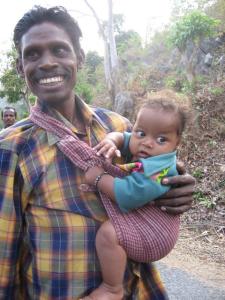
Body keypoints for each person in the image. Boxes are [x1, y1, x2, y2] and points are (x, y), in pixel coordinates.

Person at [0, 6, 195, 300]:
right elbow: (4, 250)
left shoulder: (117, 125)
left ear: (79, 57)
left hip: (136, 288)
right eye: (33, 54)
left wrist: (178, 183)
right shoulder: (11, 146)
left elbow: (153, 176)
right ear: (20, 67)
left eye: (59, 50)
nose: (48, 62)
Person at [83, 98, 187, 299]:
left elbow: (129, 194)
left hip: (157, 233)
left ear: (177, 143)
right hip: (145, 218)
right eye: (142, 133)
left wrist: (98, 178)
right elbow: (125, 136)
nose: (147, 143)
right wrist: (113, 140)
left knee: (108, 234)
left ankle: (112, 288)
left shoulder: (161, 168)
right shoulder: (144, 145)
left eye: (161, 140)